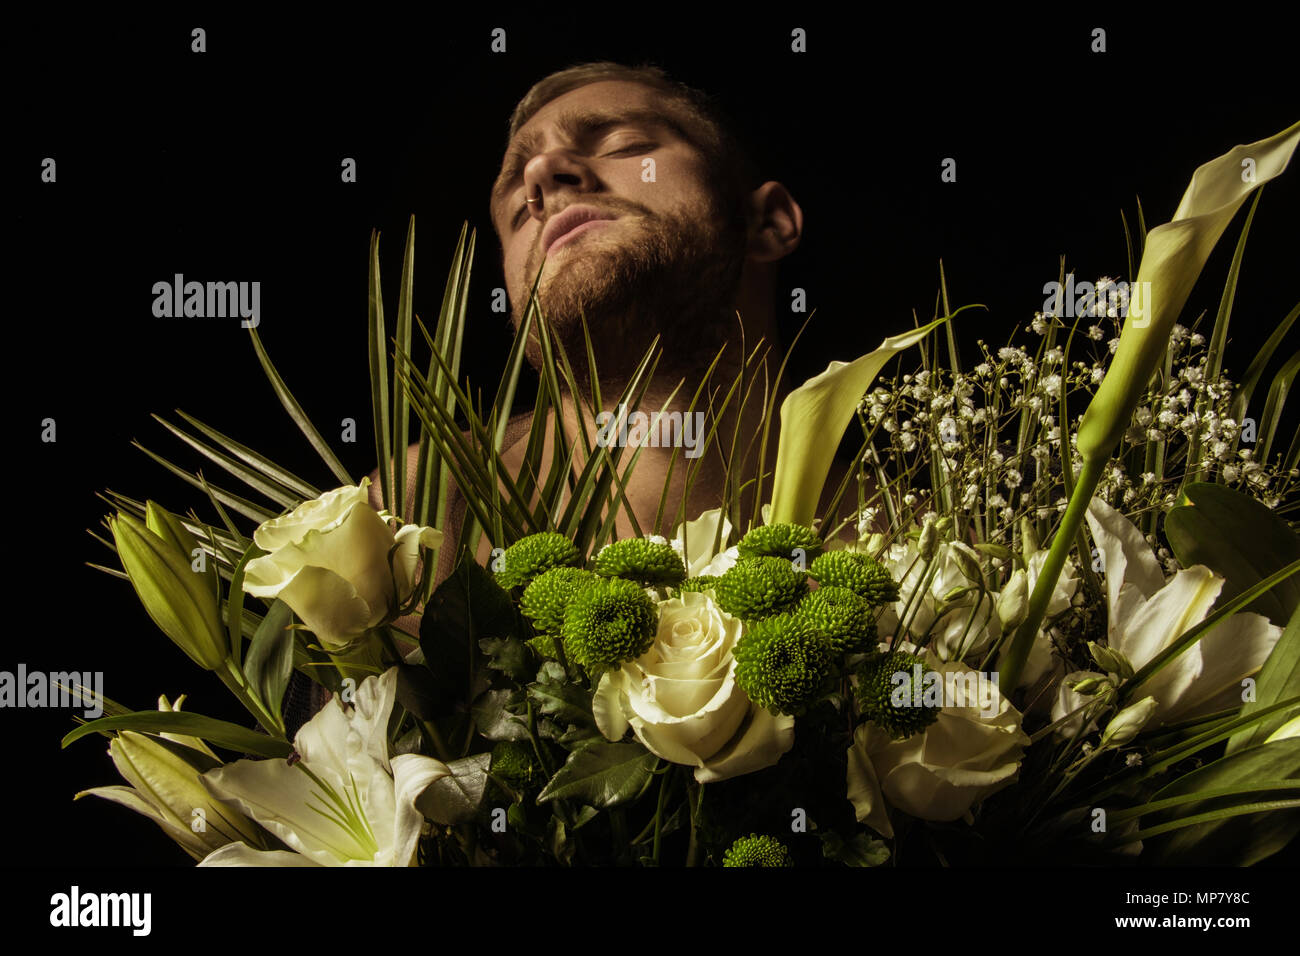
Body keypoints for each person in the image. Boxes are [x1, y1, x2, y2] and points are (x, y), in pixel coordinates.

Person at [372, 61, 822, 590]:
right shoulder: (410, 518)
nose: (540, 177)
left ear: (767, 222)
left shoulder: (915, 542)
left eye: (625, 144)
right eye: (518, 208)